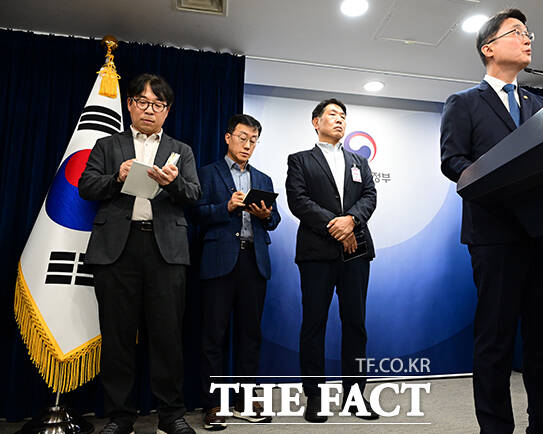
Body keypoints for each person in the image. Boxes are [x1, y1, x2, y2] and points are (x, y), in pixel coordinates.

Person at [440, 9, 543, 434]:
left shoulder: (541, 106)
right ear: (488, 48)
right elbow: (453, 161)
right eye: (516, 32)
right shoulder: (463, 103)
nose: (527, 39)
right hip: (494, 234)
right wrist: (500, 181)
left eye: (528, 33)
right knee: (495, 341)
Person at [78, 74, 200, 434]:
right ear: (130, 104)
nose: (150, 110)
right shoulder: (107, 145)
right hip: (117, 249)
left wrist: (172, 183)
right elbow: (86, 186)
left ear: (167, 110)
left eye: (158, 104)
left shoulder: (182, 150)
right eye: (143, 102)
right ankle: (120, 416)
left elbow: (194, 194)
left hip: (165, 251)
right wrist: (116, 177)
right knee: (117, 336)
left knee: (167, 335)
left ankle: (170, 414)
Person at [285, 98, 378, 423]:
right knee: (314, 324)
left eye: (343, 116)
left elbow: (370, 196)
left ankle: (355, 396)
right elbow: (299, 201)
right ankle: (315, 396)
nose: (339, 120)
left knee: (356, 325)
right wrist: (336, 226)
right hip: (316, 254)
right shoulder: (300, 160)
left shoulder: (359, 161)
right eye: (333, 114)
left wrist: (351, 221)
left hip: (357, 252)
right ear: (316, 122)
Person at [193, 114, 280, 431]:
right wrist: (226, 208)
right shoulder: (207, 173)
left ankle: (245, 401)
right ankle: (213, 404)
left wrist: (265, 215)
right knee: (213, 337)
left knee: (250, 336)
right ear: (228, 137)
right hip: (219, 261)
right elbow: (195, 214)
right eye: (243, 138)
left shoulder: (263, 179)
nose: (247, 145)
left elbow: (275, 221)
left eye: (253, 140)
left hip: (253, 261)